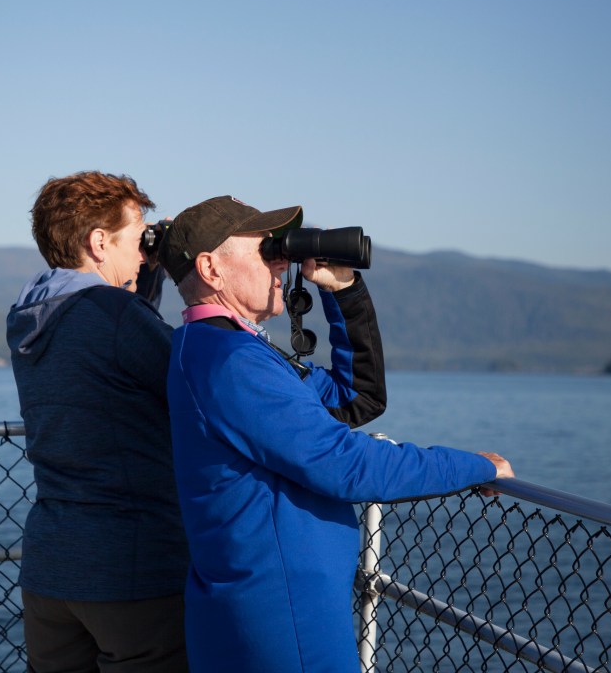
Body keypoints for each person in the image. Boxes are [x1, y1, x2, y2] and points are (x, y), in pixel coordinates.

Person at [156, 195, 514, 673]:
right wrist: (475, 466)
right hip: (285, 622)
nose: (280, 260)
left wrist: (343, 291)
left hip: (257, 604)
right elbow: (348, 465)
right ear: (210, 269)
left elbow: (355, 396)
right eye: (264, 250)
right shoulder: (233, 363)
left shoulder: (215, 349)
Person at [7, 171, 188, 673]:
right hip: (129, 571)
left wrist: (144, 275)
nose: (142, 251)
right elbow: (196, 382)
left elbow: (116, 352)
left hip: (51, 570)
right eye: (137, 238)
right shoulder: (113, 315)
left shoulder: (32, 313)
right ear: (99, 241)